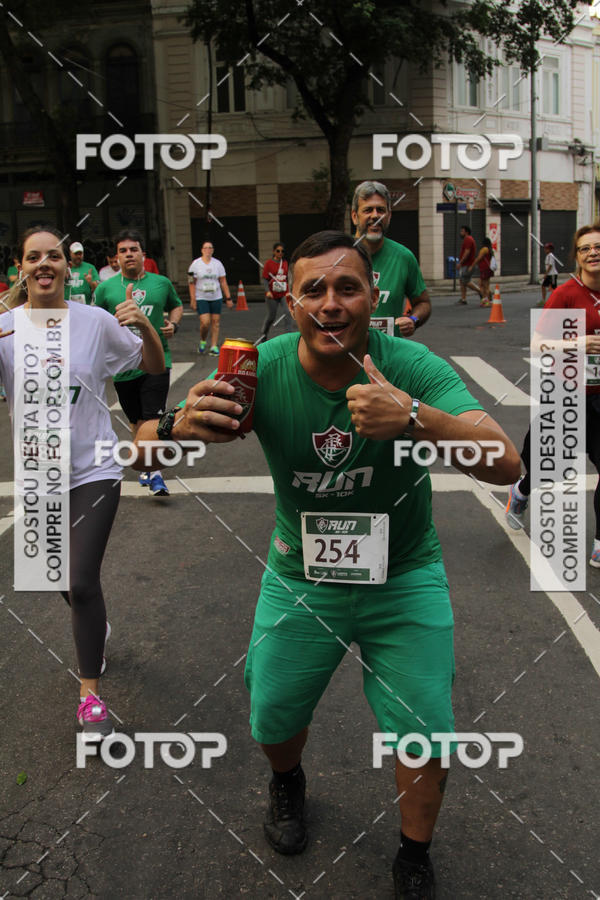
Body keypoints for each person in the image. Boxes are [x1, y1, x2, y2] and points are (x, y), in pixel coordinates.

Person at [136, 231, 520, 898]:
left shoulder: (409, 366)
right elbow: (141, 453)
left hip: (403, 576)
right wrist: (173, 429)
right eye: (314, 289)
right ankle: (287, 783)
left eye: (348, 288)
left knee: (427, 731)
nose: (331, 302)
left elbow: (504, 462)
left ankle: (413, 854)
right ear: (290, 300)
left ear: (375, 298)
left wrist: (414, 417)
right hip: (301, 577)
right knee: (273, 715)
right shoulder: (259, 365)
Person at [0, 225, 164, 741]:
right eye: (33, 257)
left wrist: (146, 327)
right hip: (37, 473)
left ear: (67, 267)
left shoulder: (94, 321)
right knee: (57, 580)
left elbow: (151, 365)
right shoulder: (4, 329)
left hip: (95, 468)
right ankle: (96, 628)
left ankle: (89, 694)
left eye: (53, 256)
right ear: (20, 269)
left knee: (80, 580)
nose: (44, 264)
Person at [506, 221, 600, 567]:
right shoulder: (566, 294)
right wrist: (578, 343)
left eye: (598, 247)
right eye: (586, 248)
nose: (593, 253)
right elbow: (538, 343)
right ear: (577, 257)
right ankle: (521, 492)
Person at [94, 229, 183, 497]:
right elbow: (96, 322)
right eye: (123, 251)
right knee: (136, 421)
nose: (128, 254)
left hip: (157, 360)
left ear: (143, 254)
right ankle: (146, 465)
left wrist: (173, 324)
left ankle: (155, 474)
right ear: (116, 258)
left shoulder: (161, 283)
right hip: (124, 366)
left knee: (152, 418)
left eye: (133, 249)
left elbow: (176, 306)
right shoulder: (105, 290)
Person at [351, 181, 431, 338]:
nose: (375, 216)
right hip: (347, 355)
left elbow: (423, 303)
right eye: (368, 210)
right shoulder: (338, 254)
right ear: (355, 216)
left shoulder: (403, 257)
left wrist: (413, 319)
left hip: (389, 357)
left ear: (389, 216)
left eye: (381, 210)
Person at [188, 241, 233, 355]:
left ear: (212, 250)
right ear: (202, 250)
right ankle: (203, 340)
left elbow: (223, 281)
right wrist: (193, 299)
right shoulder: (195, 264)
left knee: (216, 322)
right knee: (205, 322)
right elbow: (191, 282)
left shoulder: (218, 264)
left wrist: (228, 298)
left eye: (210, 248)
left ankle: (213, 345)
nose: (208, 250)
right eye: (206, 248)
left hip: (216, 296)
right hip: (201, 296)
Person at [259, 242, 294, 342]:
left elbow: (288, 278)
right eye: (278, 251)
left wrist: (289, 291)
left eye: (282, 251)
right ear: (274, 252)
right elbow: (265, 279)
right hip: (272, 295)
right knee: (271, 316)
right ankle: (263, 334)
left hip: (283, 293)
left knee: (288, 312)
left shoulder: (285, 263)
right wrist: (267, 291)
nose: (280, 253)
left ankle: (289, 337)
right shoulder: (269, 264)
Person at [457, 225, 480, 305]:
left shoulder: (468, 239)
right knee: (462, 281)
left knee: (465, 281)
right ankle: (463, 299)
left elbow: (467, 252)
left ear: (466, 232)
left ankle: (480, 291)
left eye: (462, 231)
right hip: (466, 264)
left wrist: (460, 263)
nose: (460, 233)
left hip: (468, 264)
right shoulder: (468, 239)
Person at [473, 237, 495, 307]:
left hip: (484, 269)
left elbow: (479, 258)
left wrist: (472, 265)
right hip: (488, 269)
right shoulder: (490, 250)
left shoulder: (484, 249)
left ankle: (487, 301)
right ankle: (488, 301)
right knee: (484, 285)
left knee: (484, 286)